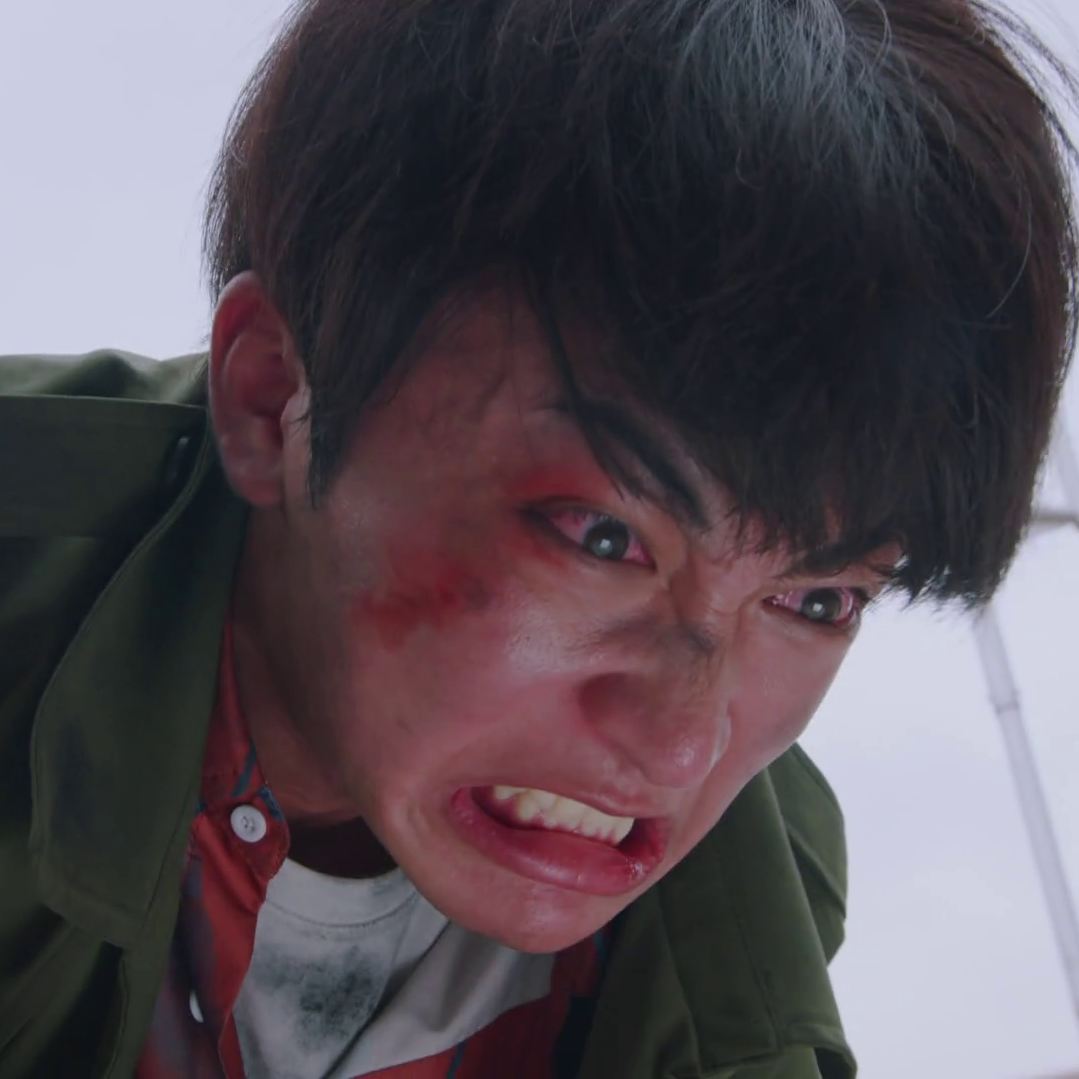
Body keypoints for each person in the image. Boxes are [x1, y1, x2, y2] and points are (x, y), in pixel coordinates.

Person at [1, 0, 1076, 1076]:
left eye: (816, 600)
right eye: (603, 537)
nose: (679, 748)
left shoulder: (753, 913)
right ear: (274, 395)